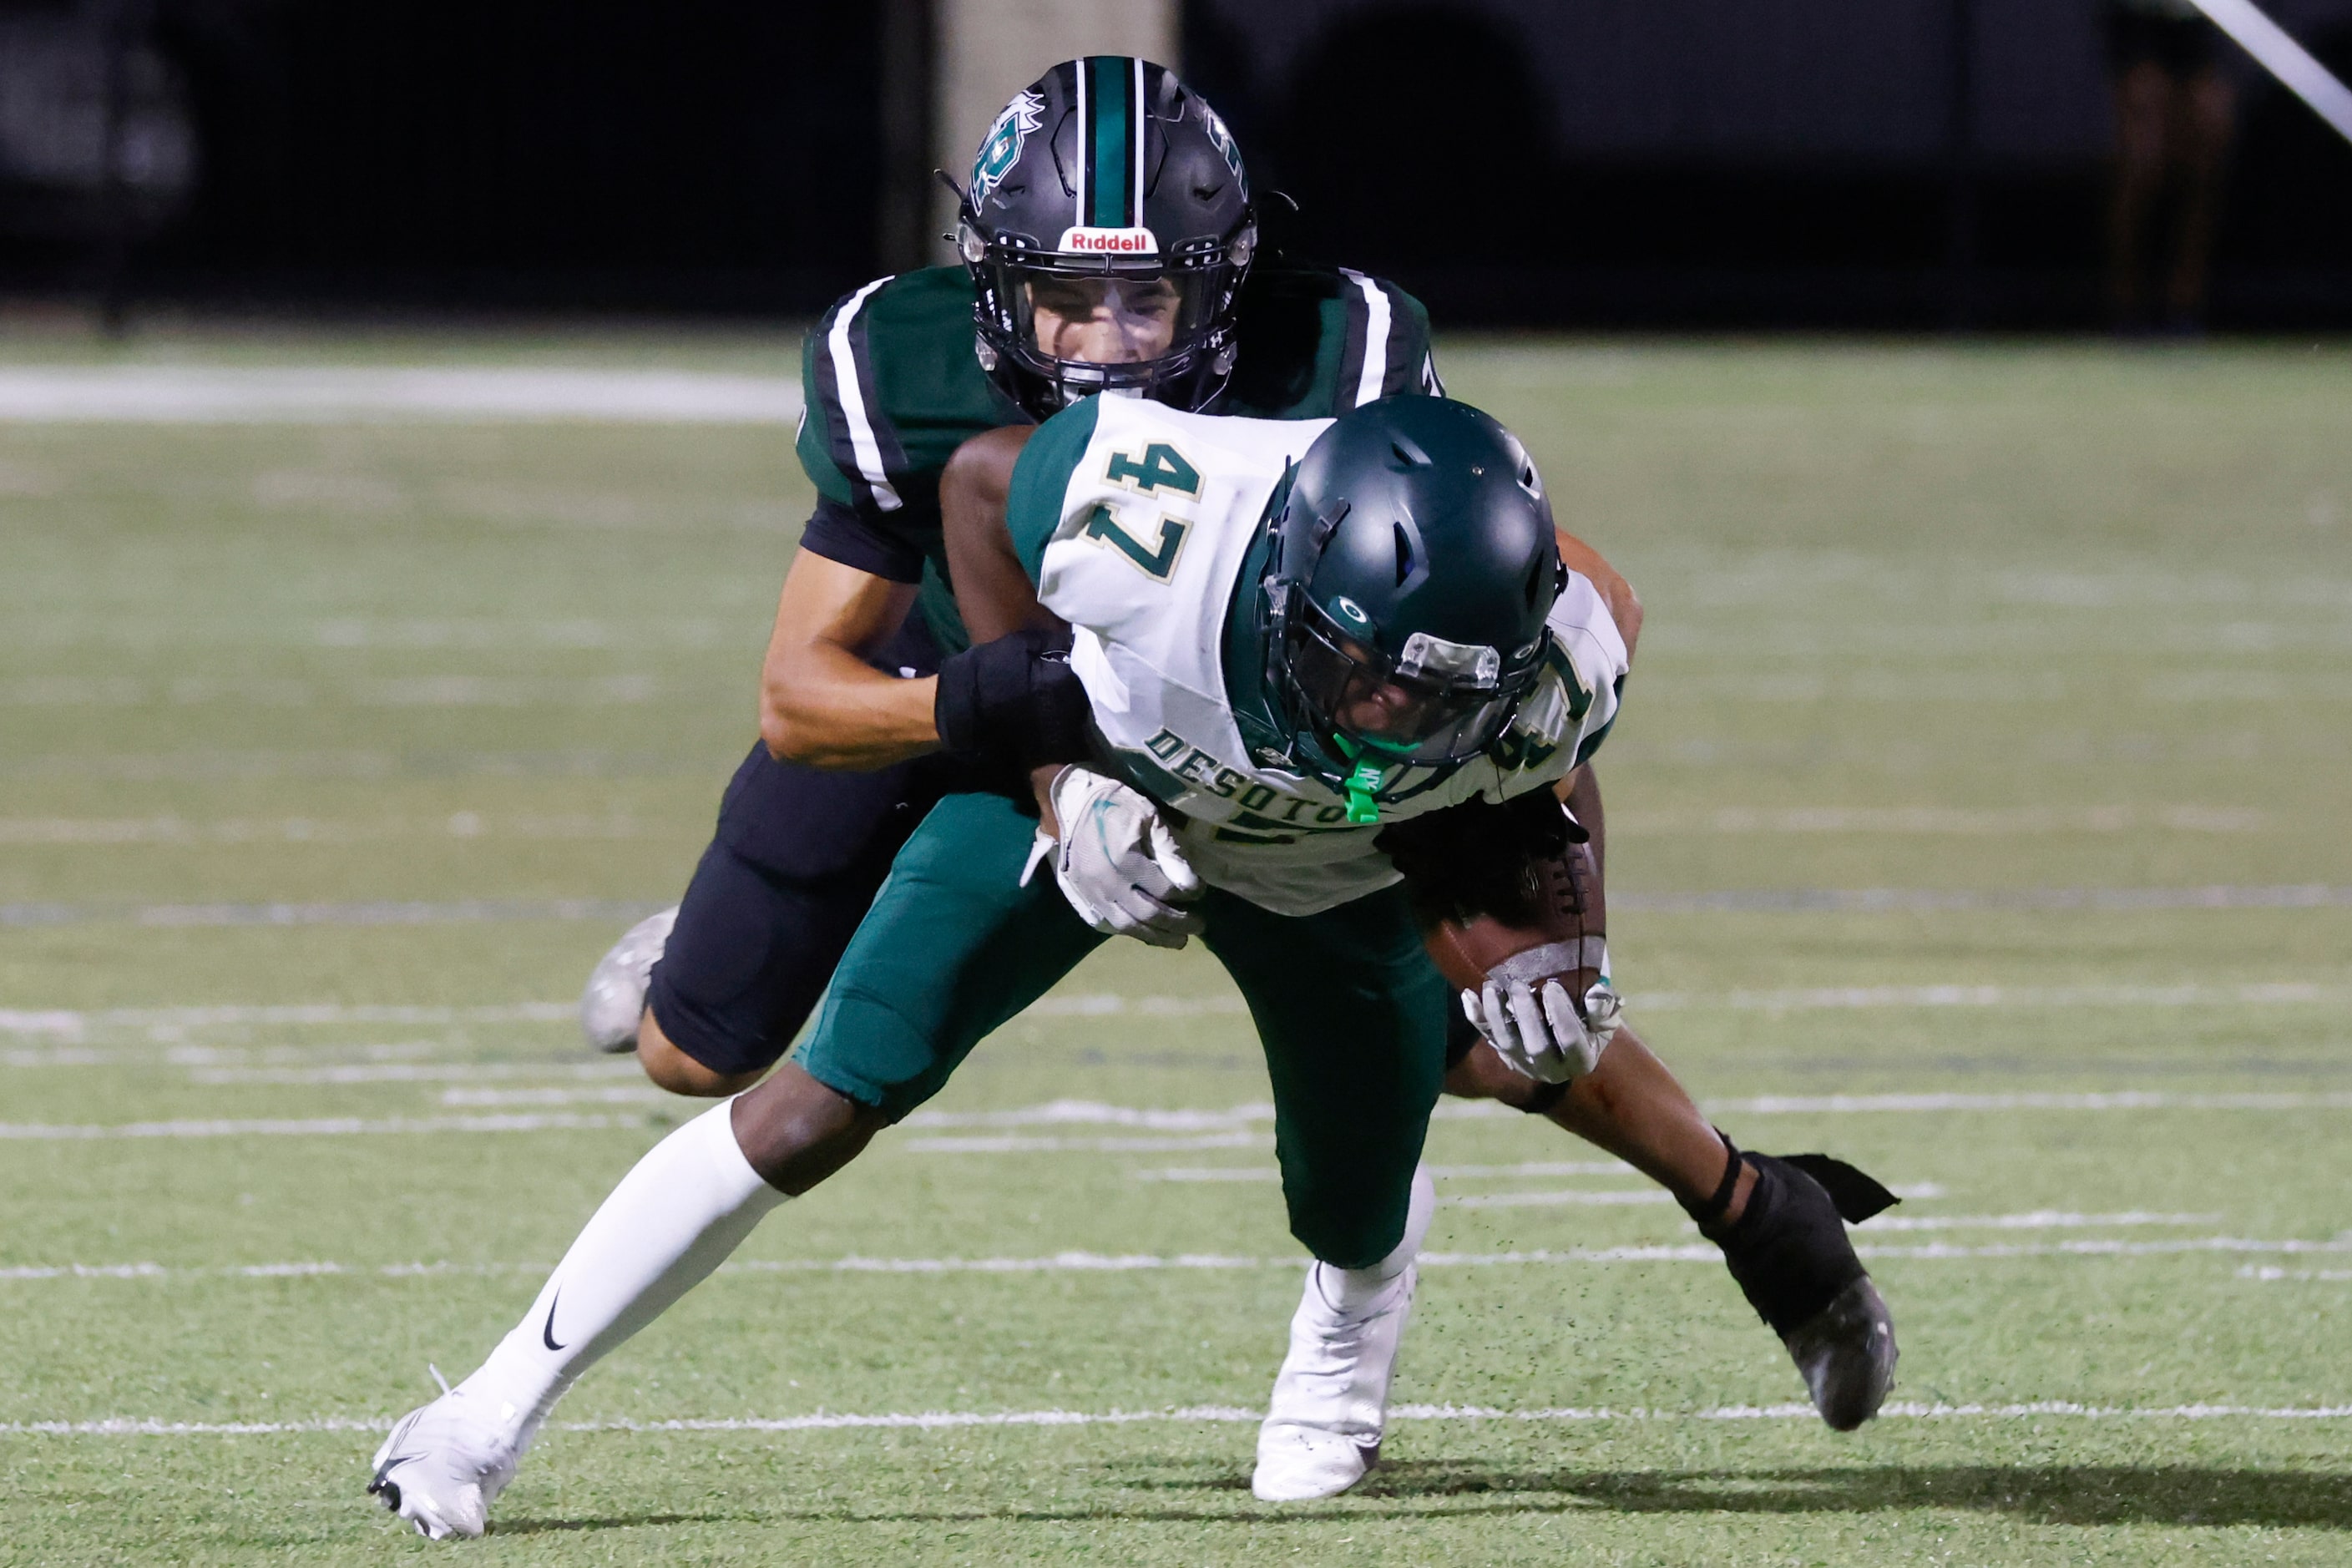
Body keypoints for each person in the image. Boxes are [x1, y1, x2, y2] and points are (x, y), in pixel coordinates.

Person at [370, 396, 1895, 1537]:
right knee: (816, 1098)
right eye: (1359, 669)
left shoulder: (1557, 665)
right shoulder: (1158, 524)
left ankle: (1346, 1359)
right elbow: (975, 490)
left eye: (1428, 699)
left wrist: (1574, 932)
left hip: (1332, 880)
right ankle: (481, 1413)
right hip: (1120, 777)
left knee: (1363, 1192)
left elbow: (1545, 779)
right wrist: (1049, 755)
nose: (1381, 720)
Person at [577, 57, 1457, 1100]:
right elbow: (798, 701)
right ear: (998, 278)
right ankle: (712, 947)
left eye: (1150, 297)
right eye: (1065, 296)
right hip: (966, 666)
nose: (1107, 342)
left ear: (1224, 281)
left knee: (1465, 1049)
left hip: (1233, 705)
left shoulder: (1338, 354)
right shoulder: (901, 361)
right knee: (690, 1059)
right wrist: (992, 698)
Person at [2103, 0, 2238, 330]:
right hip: (2140, 16)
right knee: (2143, 163)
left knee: (2205, 156)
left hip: (2199, 16)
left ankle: (2184, 304)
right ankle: (2126, 301)